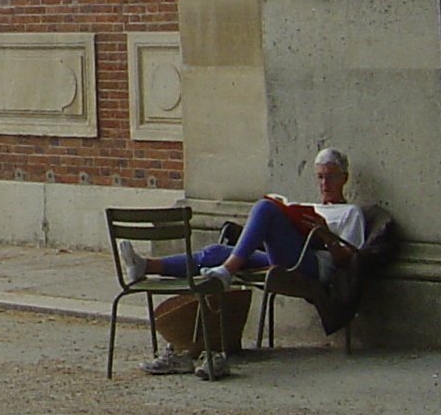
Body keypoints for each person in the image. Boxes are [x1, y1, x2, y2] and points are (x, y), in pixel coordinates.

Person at [121, 147, 368, 376]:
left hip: (315, 265)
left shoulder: (351, 213)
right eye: (320, 177)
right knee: (217, 251)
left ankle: (227, 271)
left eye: (331, 177)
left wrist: (326, 236)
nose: (325, 184)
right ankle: (147, 266)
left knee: (265, 208)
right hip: (287, 255)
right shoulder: (311, 207)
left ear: (344, 178)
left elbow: (349, 260)